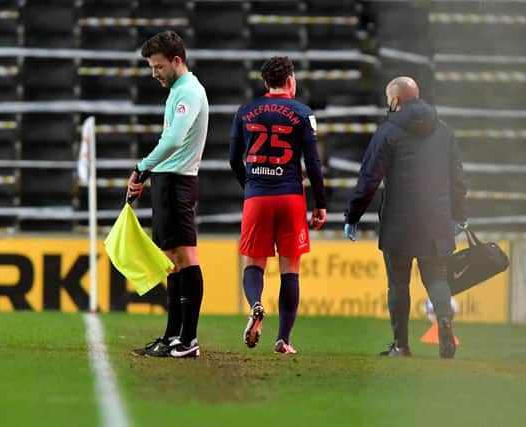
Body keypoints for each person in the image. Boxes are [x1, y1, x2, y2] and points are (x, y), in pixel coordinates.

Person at [344, 76, 468, 359]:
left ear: (396, 100)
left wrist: (353, 215)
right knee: (437, 279)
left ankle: (402, 345)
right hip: (437, 220)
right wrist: (459, 215)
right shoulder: (443, 130)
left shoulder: (388, 131)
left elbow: (369, 178)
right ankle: (444, 322)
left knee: (398, 283)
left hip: (400, 221)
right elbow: (458, 176)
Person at [229, 56, 327, 354]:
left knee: (253, 263)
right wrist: (320, 203)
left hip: (257, 196)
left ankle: (256, 304)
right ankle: (283, 340)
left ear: (265, 82)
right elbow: (312, 162)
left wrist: (250, 186)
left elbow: (234, 159)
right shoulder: (302, 113)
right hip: (290, 198)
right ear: (290, 81)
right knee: (290, 269)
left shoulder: (245, 111)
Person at [127, 31, 209, 358]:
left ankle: (188, 339)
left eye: (158, 67)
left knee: (185, 257)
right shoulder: (179, 90)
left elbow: (174, 140)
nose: (154, 73)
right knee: (173, 261)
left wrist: (142, 166)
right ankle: (173, 336)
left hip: (177, 181)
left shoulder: (188, 90)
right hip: (168, 180)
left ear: (177, 61)